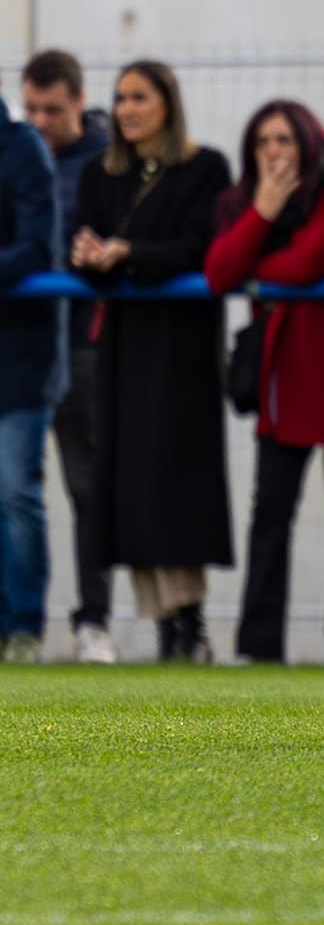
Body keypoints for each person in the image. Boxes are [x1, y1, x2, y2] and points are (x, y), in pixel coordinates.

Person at [205, 102, 324, 665]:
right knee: (270, 512)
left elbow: (310, 263)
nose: (274, 152)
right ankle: (259, 647)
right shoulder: (243, 202)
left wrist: (254, 267)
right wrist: (261, 214)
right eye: (263, 140)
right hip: (281, 378)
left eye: (285, 140)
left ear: (307, 144)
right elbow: (218, 272)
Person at [74, 61, 231, 663]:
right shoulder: (101, 172)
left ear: (167, 102)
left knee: (177, 482)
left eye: (139, 97)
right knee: (131, 484)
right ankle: (170, 627)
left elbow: (198, 245)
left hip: (183, 348)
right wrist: (89, 253)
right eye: (120, 98)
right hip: (122, 345)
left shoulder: (205, 168)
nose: (127, 109)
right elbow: (87, 244)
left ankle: (189, 625)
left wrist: (129, 252)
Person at [21, 51, 113, 661]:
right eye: (30, 108)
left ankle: (93, 622)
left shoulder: (105, 164)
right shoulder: (15, 157)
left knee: (87, 485)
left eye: (52, 109)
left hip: (81, 342)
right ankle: (21, 626)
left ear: (79, 102)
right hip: (21, 342)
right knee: (16, 490)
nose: (41, 121)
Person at [0, 79, 62, 664]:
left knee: (15, 489)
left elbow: (37, 249)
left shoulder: (22, 149)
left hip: (19, 350)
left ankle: (23, 626)